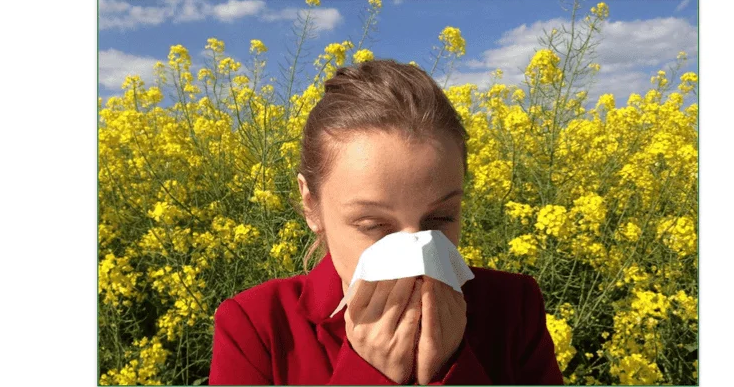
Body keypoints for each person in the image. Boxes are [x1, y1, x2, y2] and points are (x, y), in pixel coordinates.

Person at [209, 60, 564, 385]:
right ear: (311, 205)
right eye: (373, 225)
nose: (416, 257)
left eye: (440, 218)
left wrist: (451, 367)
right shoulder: (258, 326)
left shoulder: (512, 307)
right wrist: (369, 375)